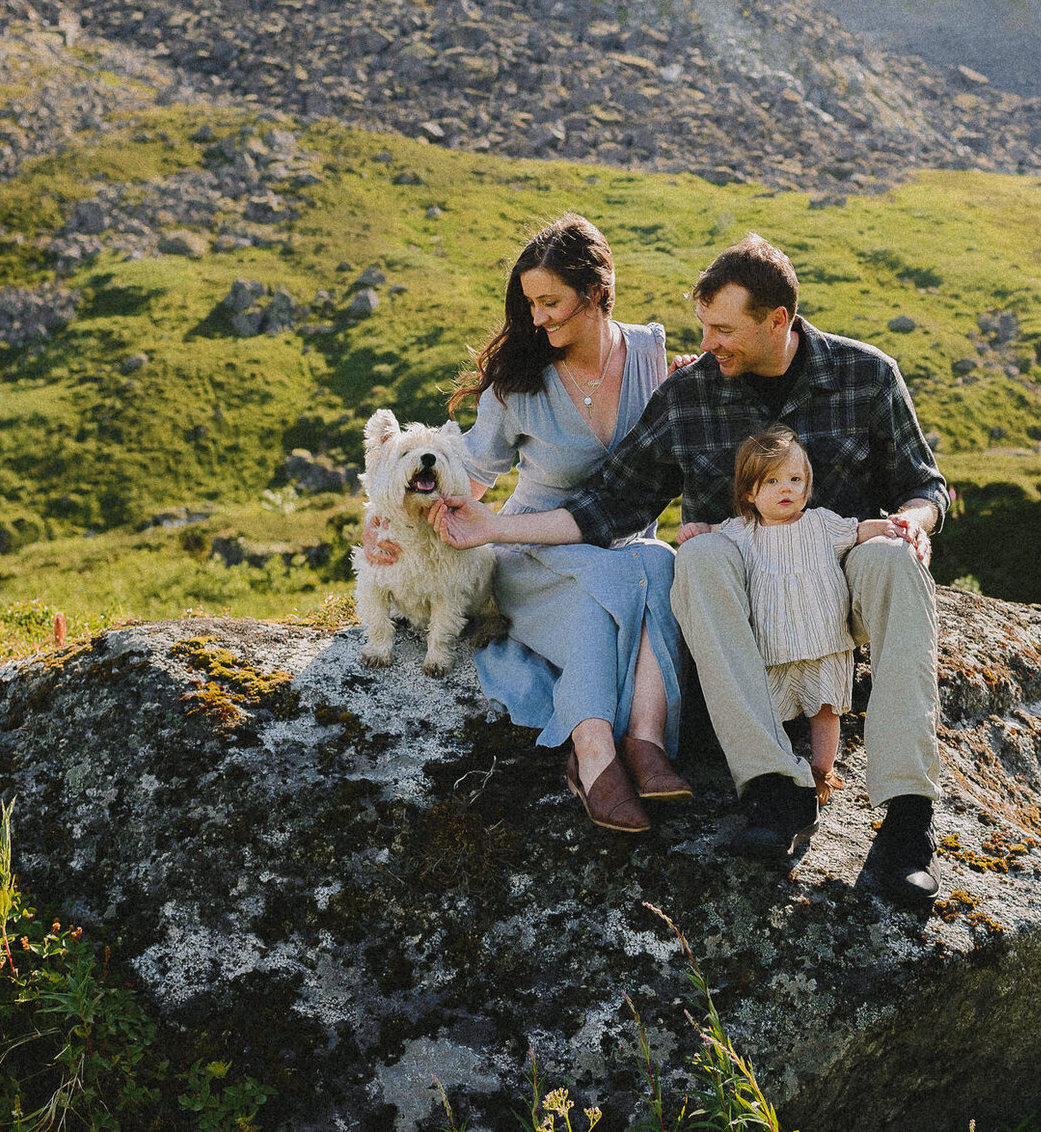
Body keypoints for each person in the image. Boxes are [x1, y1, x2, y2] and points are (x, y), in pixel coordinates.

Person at [434, 233, 949, 908]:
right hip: (742, 599)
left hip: (841, 574)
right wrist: (491, 526)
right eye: (703, 325)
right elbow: (607, 505)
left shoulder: (867, 374)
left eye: (724, 330)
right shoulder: (690, 394)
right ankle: (770, 790)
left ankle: (908, 826)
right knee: (699, 554)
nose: (706, 344)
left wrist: (916, 520)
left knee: (896, 559)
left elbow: (924, 484)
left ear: (778, 320)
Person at [363, 213, 688, 835]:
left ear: (596, 291)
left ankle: (632, 746)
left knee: (654, 560)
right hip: (530, 549)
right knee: (632, 572)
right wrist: (389, 525)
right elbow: (467, 481)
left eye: (551, 302)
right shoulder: (518, 383)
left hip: (625, 549)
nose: (537, 319)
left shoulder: (652, 354)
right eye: (530, 304)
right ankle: (600, 750)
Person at [712, 426, 907, 803]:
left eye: (795, 479)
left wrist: (886, 526)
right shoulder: (742, 532)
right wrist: (693, 530)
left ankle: (823, 770)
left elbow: (857, 531)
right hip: (772, 646)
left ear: (808, 484)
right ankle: (780, 769)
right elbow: (712, 536)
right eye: (772, 481)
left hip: (823, 641)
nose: (786, 488)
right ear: (750, 492)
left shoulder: (821, 522)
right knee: (771, 708)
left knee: (825, 710)